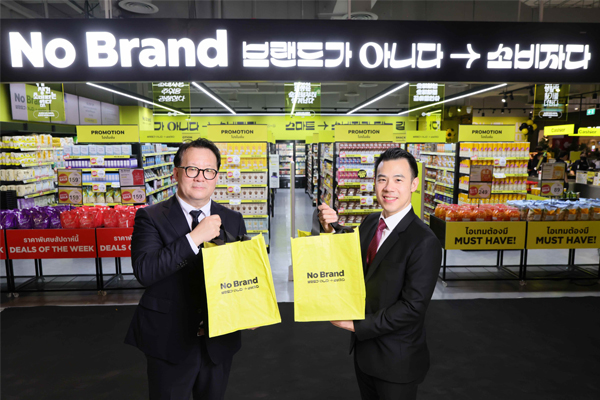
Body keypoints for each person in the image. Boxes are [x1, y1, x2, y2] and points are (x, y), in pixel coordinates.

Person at [125, 138, 248, 400]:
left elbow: (241, 272)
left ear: (216, 177)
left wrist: (248, 310)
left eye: (209, 171)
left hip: (218, 340)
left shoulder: (233, 219)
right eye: (192, 169)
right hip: (169, 339)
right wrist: (194, 238)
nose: (200, 177)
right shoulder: (150, 217)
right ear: (176, 173)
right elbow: (145, 271)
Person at [318, 148, 442, 400]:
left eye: (398, 179)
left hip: (396, 361)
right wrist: (331, 229)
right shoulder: (372, 221)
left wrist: (356, 325)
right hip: (365, 354)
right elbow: (352, 256)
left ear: (414, 184)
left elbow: (412, 307)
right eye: (382, 179)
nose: (388, 188)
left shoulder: (424, 241)